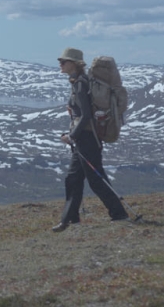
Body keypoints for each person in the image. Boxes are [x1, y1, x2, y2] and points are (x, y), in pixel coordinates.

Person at [54, 48, 129, 231]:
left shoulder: (80, 83)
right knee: (73, 178)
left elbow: (86, 115)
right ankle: (70, 219)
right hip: (86, 138)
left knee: (96, 179)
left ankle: (119, 214)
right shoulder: (81, 82)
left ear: (75, 63)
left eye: (64, 61)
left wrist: (72, 136)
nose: (61, 64)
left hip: (86, 139)